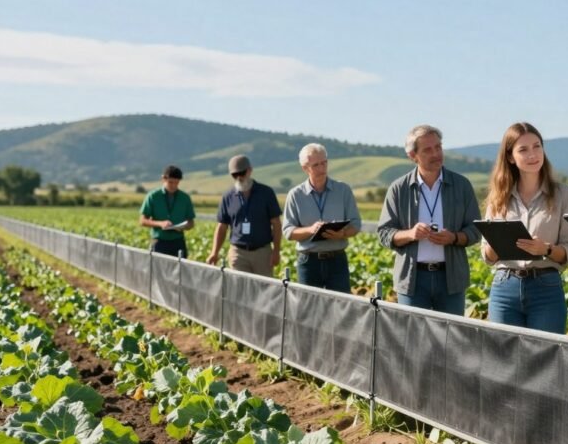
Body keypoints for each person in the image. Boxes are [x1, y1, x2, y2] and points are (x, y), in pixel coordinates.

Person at [481, 122, 568, 333]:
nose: (532, 154)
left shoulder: (564, 194)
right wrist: (496, 246)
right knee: (503, 358)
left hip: (546, 288)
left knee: (545, 360)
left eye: (537, 146)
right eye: (523, 150)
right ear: (510, 157)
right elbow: (487, 256)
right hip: (504, 288)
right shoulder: (498, 197)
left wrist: (545, 249)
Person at [377, 124, 481, 315]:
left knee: (450, 339)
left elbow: (476, 231)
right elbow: (384, 233)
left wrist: (454, 238)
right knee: (414, 340)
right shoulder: (398, 189)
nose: (436, 154)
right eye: (428, 150)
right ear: (412, 156)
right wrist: (410, 234)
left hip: (451, 280)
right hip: (412, 280)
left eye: (438, 147)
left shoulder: (462, 185)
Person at [282, 143, 361, 292]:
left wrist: (342, 234)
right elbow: (288, 232)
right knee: (309, 309)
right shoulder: (295, 195)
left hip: (337, 260)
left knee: (341, 308)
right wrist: (311, 230)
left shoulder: (343, 190)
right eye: (316, 165)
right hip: (308, 261)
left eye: (324, 163)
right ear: (305, 168)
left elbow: (356, 225)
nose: (321, 168)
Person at [206, 155, 282, 276]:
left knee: (264, 291)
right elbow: (222, 226)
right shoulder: (228, 196)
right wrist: (214, 252)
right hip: (238, 252)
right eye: (235, 175)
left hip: (262, 252)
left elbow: (276, 224)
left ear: (250, 170)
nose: (239, 177)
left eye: (242, 173)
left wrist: (276, 251)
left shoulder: (266, 193)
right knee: (240, 291)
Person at [139, 165, 196, 258]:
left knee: (180, 271)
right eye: (170, 182)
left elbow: (191, 222)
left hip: (178, 242)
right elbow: (142, 221)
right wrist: (160, 224)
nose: (173, 186)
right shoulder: (153, 196)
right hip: (159, 242)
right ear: (163, 179)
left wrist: (183, 226)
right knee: (156, 271)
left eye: (176, 183)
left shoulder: (185, 198)